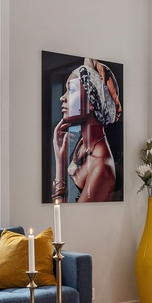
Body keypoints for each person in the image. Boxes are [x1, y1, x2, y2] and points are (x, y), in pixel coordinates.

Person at [52, 58, 121, 202]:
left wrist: (60, 164)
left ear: (92, 101)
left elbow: (71, 215)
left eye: (71, 90)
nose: (62, 98)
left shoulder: (102, 167)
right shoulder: (81, 145)